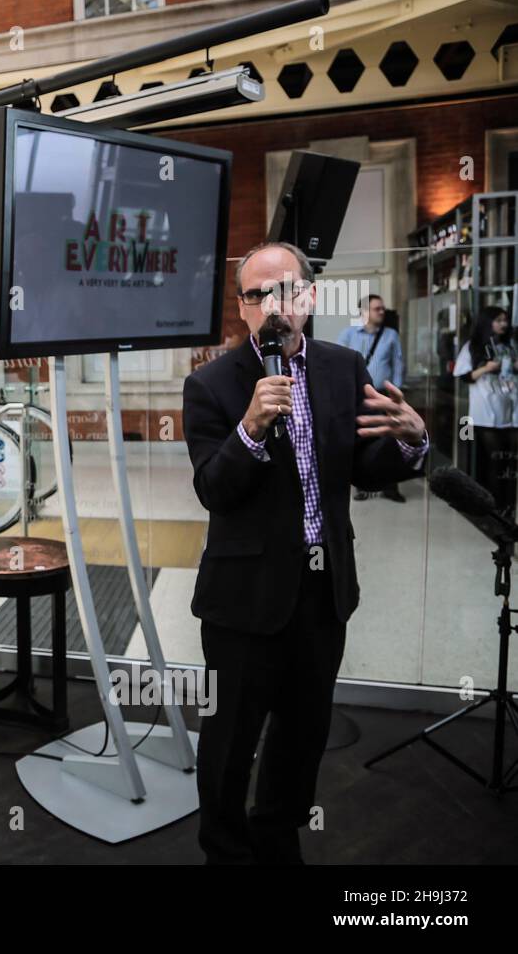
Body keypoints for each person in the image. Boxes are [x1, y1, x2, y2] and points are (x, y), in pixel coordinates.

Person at [182, 241, 429, 864]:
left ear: (311, 297)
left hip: (322, 594)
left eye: (286, 290)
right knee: (229, 740)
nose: (274, 305)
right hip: (243, 604)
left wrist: (412, 443)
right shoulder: (210, 385)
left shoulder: (344, 368)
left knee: (302, 732)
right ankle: (226, 849)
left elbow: (365, 464)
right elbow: (214, 488)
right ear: (242, 308)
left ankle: (278, 834)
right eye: (258, 294)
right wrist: (250, 429)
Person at [338, 294, 407, 502]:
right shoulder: (349, 334)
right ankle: (360, 483)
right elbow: (339, 364)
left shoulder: (391, 335)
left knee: (391, 439)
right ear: (364, 312)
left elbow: (398, 364)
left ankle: (390, 486)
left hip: (384, 395)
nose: (381, 312)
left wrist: (396, 394)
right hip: (357, 395)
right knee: (361, 438)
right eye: (377, 309)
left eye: (382, 309)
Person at [454, 305, 518, 517]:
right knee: (493, 461)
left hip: (511, 410)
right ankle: (493, 506)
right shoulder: (472, 347)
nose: (503, 324)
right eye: (498, 320)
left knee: (509, 463)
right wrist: (486, 368)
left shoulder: (510, 345)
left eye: (505, 320)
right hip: (484, 413)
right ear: (487, 322)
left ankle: (508, 505)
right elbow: (463, 376)